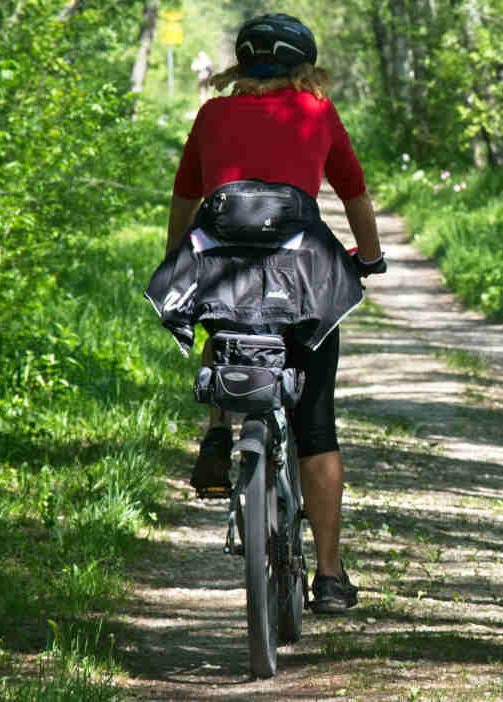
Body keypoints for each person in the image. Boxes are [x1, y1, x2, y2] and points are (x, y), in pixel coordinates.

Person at [164, 13, 386, 614]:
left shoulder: (211, 115)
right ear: (303, 67)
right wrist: (369, 259)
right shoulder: (316, 112)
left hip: (222, 267)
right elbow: (354, 193)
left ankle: (217, 428)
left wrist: (175, 260)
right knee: (316, 427)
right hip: (303, 276)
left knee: (222, 316)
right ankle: (332, 577)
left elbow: (186, 199)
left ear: (241, 64)